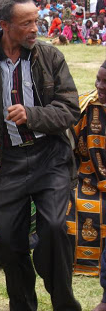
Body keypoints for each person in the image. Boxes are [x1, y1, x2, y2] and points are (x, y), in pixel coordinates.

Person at [0, 0, 82, 311]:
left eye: (35, 21)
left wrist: (33, 115)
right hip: (7, 162)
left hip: (49, 158)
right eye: (26, 23)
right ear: (4, 25)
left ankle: (64, 303)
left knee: (53, 230)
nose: (34, 29)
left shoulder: (50, 57)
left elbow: (70, 110)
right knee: (11, 246)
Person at [67, 61, 106, 281]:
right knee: (73, 205)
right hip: (88, 180)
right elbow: (66, 145)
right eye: (98, 80)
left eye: (105, 82)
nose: (99, 86)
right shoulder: (86, 107)